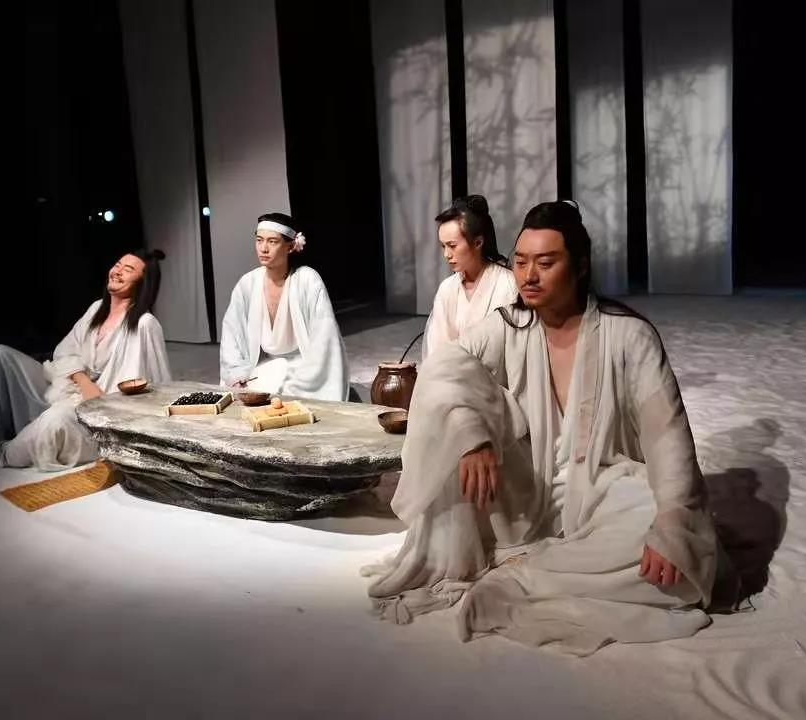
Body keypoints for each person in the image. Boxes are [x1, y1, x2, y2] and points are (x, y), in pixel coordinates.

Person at [364, 201, 718, 656]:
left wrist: (671, 525)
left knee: (676, 551)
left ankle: (525, 577)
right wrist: (473, 436)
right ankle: (544, 559)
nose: (528, 276)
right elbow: (443, 367)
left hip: (604, 483)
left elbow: (667, 436)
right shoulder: (509, 326)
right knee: (454, 430)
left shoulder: (630, 336)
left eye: (546, 263)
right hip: (525, 483)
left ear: (580, 266)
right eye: (521, 262)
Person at [0, 249, 172, 471]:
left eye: (127, 270)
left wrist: (98, 398)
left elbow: (143, 388)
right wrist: (82, 379)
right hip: (68, 386)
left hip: (98, 413)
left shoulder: (144, 324)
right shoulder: (96, 308)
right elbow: (65, 350)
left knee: (55, 420)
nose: (117, 272)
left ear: (142, 283)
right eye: (117, 265)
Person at [219, 213, 348, 401]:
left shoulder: (307, 280)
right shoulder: (248, 283)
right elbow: (232, 334)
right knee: (242, 388)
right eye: (259, 240)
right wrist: (238, 372)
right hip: (268, 367)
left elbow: (324, 339)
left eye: (272, 242)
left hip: (304, 369)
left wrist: (307, 375)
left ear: (290, 246)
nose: (264, 248)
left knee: (289, 393)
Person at [423, 195, 518, 358]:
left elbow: (510, 348)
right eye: (443, 246)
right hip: (450, 370)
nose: (446, 254)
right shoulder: (447, 288)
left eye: (452, 246)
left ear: (478, 242)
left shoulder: (508, 284)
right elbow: (436, 346)